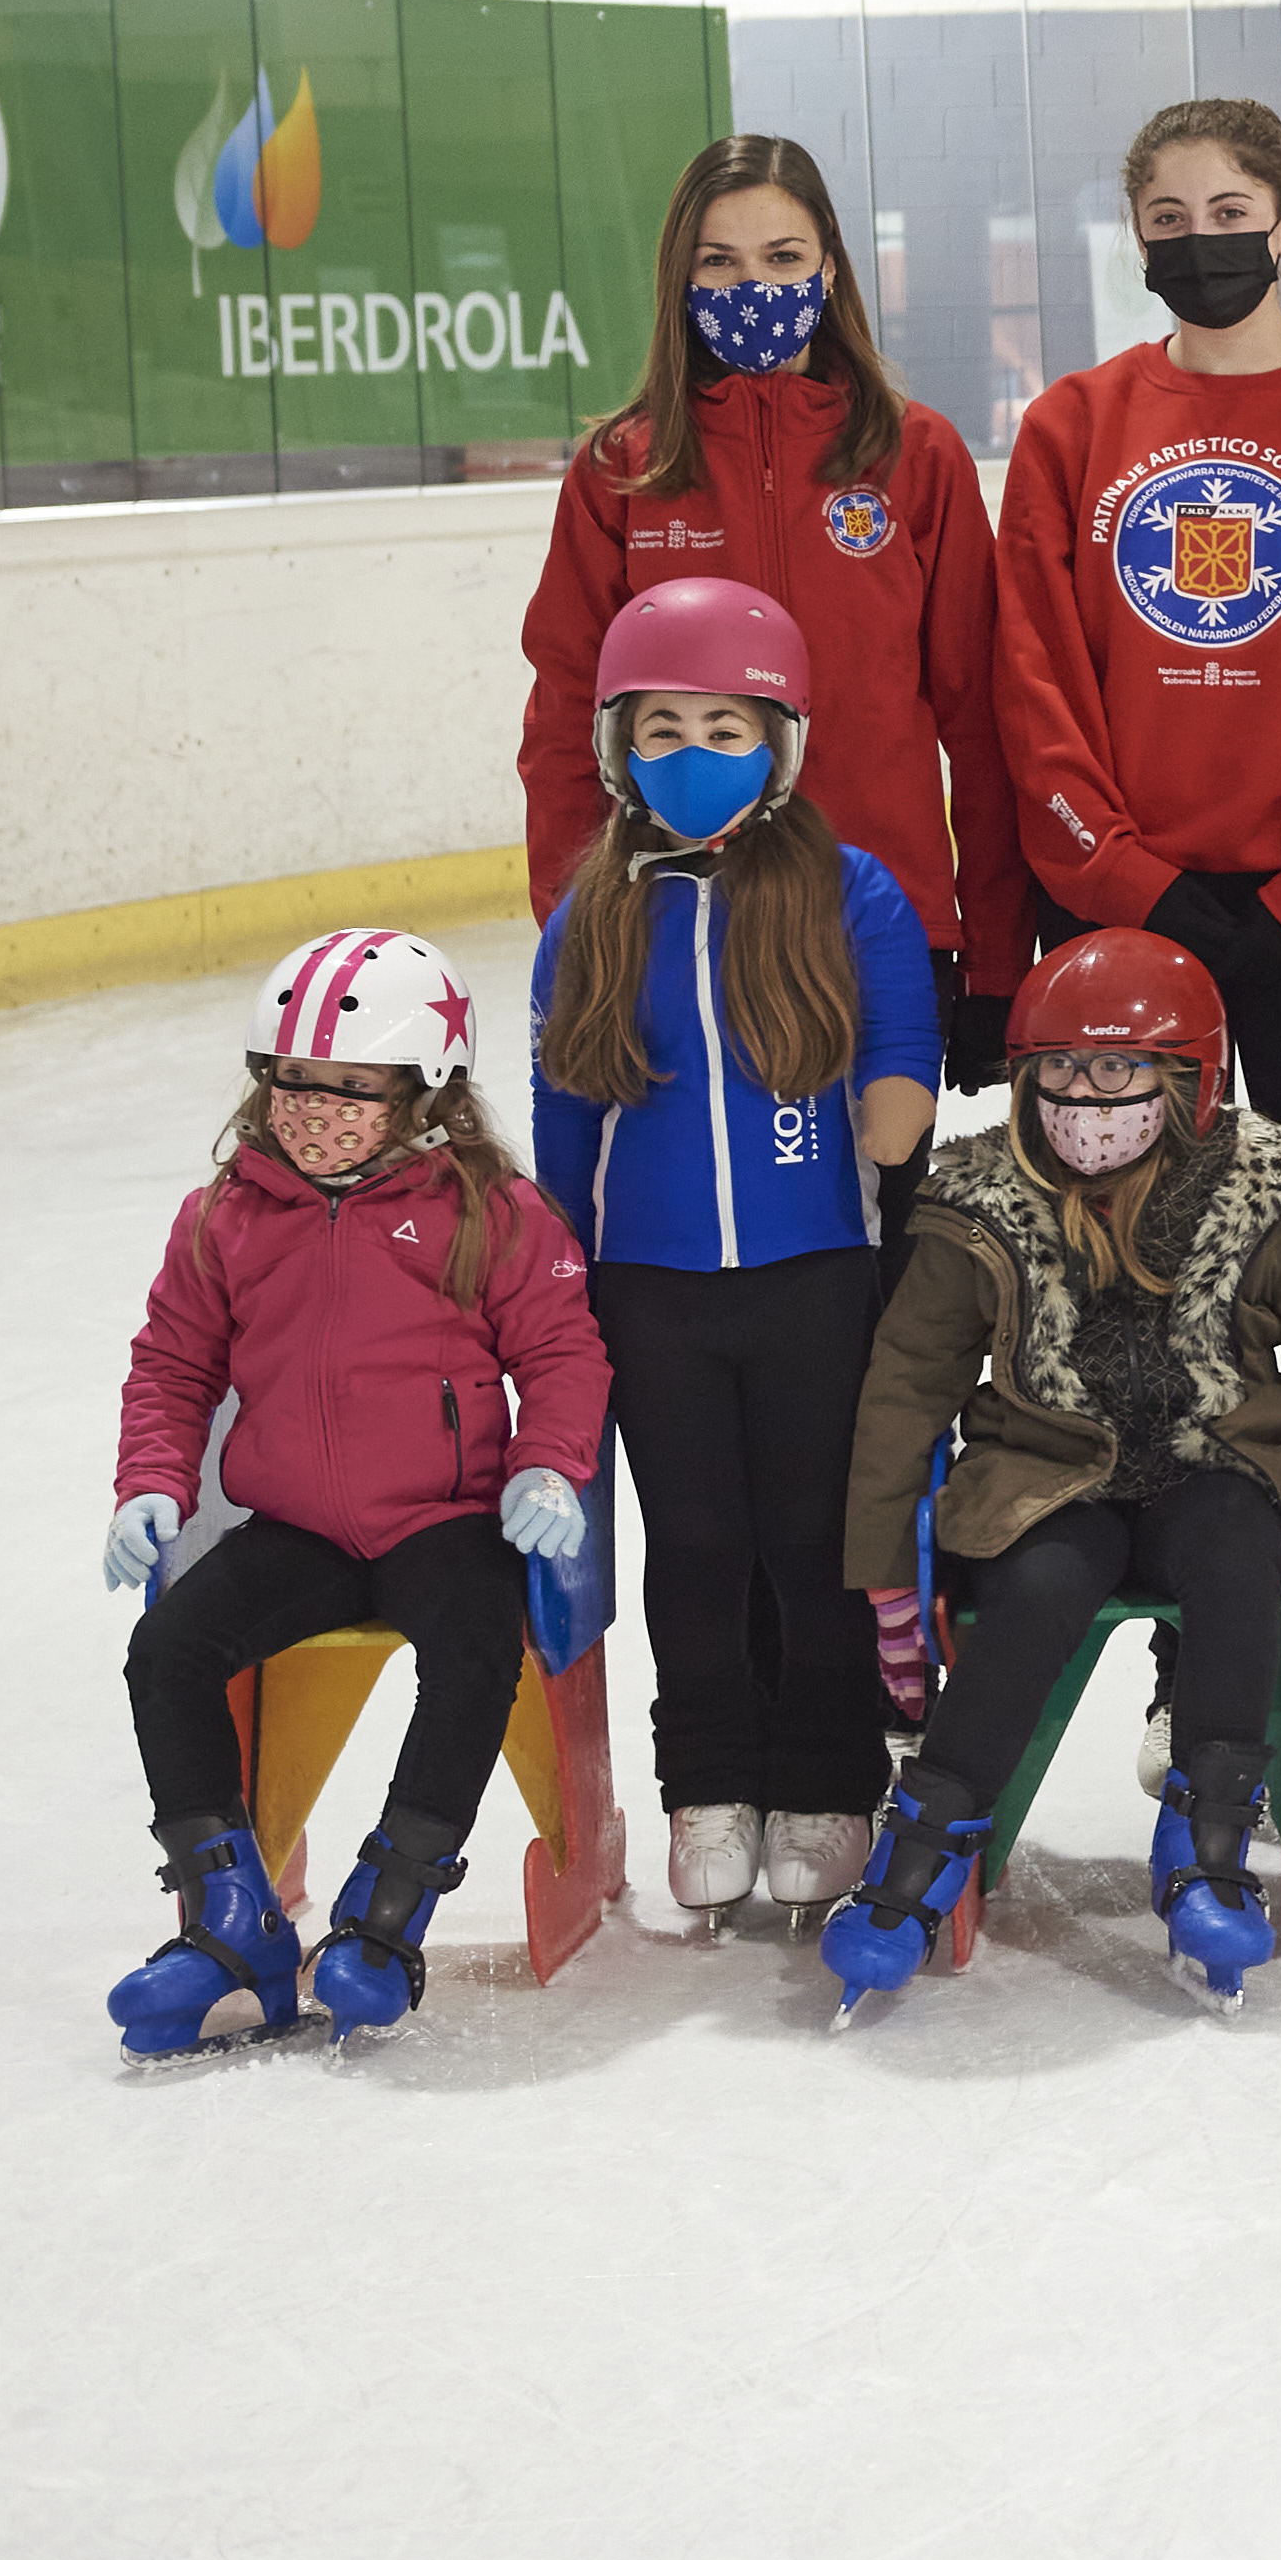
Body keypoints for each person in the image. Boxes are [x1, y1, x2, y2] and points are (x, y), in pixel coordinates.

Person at [996, 93, 1281, 1790]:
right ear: (1141, 235)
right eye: (1168, 207)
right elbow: (1035, 689)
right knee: (1137, 1274)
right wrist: (1130, 886)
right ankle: (1192, 1622)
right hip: (1126, 940)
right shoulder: (1076, 428)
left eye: (1232, 204)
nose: (1201, 230)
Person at [819, 927, 1281, 2017]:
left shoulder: (1268, 1191)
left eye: (1118, 1069)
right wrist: (890, 1595)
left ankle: (1214, 1834)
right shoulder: (977, 1203)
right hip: (1044, 1477)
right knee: (1039, 1586)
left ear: (1188, 1077)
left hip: (1212, 1460)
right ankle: (928, 1832)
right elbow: (905, 1387)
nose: (1086, 1098)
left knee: (1237, 1553)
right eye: (1061, 1071)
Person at [100, 931, 610, 2054]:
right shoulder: (225, 1216)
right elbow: (174, 1365)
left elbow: (566, 1352)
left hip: (442, 1518)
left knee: (476, 1644)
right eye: (289, 1080)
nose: (310, 1108)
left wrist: (545, 1460)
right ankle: (232, 1921)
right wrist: (150, 1482)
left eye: (350, 1088)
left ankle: (388, 1914)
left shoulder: (494, 1211)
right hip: (298, 1529)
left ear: (428, 1095)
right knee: (167, 1651)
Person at [527, 576, 939, 1933]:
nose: (692, 756)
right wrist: (562, 1282)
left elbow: (893, 1039)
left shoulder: (846, 889)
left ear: (780, 741)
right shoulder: (593, 914)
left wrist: (896, 1103)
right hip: (651, 1294)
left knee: (815, 1537)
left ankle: (827, 1777)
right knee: (695, 1541)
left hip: (816, 1271)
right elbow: (563, 1117)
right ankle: (706, 1784)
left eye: (723, 727)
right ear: (617, 749)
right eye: (661, 731)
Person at [516, 136, 1027, 1086]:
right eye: (721, 262)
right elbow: (563, 728)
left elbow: (983, 725)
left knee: (876, 1226)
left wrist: (996, 959)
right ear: (682, 278)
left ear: (828, 266)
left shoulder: (915, 456)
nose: (754, 287)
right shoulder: (621, 474)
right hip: (674, 927)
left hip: (886, 928)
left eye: (783, 259)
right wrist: (573, 930)